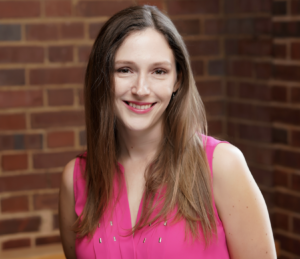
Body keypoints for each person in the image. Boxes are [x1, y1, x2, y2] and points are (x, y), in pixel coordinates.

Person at [59, 5, 277, 259]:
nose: (141, 89)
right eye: (125, 70)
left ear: (177, 80)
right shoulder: (76, 179)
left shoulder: (222, 166)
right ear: (103, 77)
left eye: (158, 71)